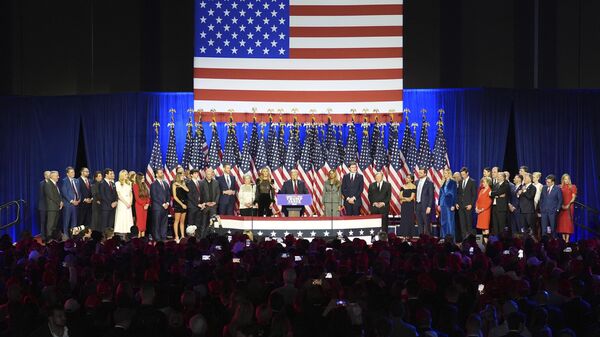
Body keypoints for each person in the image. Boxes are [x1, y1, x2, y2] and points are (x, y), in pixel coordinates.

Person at [456, 167, 477, 240]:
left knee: (469, 224)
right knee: (462, 225)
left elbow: (474, 195)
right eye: (461, 174)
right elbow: (458, 194)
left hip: (468, 206)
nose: (462, 176)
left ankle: (470, 241)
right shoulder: (460, 182)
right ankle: (464, 240)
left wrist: (471, 204)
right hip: (461, 207)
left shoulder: (472, 182)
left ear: (467, 173)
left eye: (463, 174)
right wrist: (457, 203)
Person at [150, 169, 170, 241]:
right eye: (160, 173)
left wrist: (167, 203)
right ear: (156, 175)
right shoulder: (153, 184)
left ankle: (163, 237)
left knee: (164, 223)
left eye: (162, 172)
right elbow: (154, 196)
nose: (162, 174)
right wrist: (163, 204)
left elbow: (168, 194)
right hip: (157, 208)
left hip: (165, 207)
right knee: (156, 224)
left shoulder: (166, 184)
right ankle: (157, 238)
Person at [199, 168, 220, 237]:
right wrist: (205, 203)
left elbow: (218, 193)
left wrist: (215, 202)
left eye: (211, 174)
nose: (210, 175)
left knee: (212, 223)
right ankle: (202, 239)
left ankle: (212, 238)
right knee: (204, 223)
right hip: (205, 206)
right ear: (205, 174)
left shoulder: (216, 182)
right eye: (208, 174)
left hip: (213, 206)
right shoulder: (201, 182)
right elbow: (200, 194)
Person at [60, 166, 80, 237]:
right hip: (68, 204)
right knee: (66, 221)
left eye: (73, 172)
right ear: (67, 174)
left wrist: (79, 199)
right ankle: (65, 236)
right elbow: (64, 192)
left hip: (76, 204)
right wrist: (72, 201)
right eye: (71, 172)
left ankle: (73, 236)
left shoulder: (76, 180)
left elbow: (78, 191)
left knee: (74, 222)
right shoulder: (64, 181)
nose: (73, 173)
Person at [438, 168, 457, 239]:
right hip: (443, 204)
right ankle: (443, 237)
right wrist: (439, 204)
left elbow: (454, 194)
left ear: (449, 174)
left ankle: (451, 238)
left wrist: (453, 204)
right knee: (443, 222)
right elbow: (440, 194)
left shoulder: (453, 182)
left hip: (449, 204)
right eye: (444, 173)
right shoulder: (443, 182)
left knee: (450, 222)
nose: (444, 175)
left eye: (445, 173)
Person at [557, 174, 577, 242]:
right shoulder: (559, 187)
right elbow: (558, 197)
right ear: (563, 180)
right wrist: (561, 205)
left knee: (568, 223)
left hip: (569, 206)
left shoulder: (573, 186)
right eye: (565, 179)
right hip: (561, 206)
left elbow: (573, 197)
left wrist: (568, 205)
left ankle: (567, 240)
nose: (567, 180)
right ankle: (563, 239)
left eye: (568, 178)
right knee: (562, 223)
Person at [44, 171, 63, 240]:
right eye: (57, 176)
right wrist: (59, 203)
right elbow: (51, 196)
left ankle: (53, 238)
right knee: (50, 224)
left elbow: (58, 195)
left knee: (54, 225)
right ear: (52, 176)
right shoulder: (48, 184)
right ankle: (49, 239)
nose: (58, 177)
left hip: (56, 207)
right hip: (52, 208)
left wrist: (61, 202)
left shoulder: (55, 184)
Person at [490, 170, 510, 236]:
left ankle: (502, 240)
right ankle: (496, 240)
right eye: (497, 176)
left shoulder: (506, 185)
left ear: (503, 177)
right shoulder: (495, 185)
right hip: (494, 206)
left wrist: (495, 194)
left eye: (499, 176)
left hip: (501, 208)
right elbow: (492, 194)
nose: (497, 177)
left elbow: (498, 192)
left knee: (501, 225)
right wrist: (497, 195)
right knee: (495, 225)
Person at [114, 170, 134, 237]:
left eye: (127, 174)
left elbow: (131, 193)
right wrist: (126, 203)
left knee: (128, 217)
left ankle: (128, 231)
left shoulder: (129, 183)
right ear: (122, 175)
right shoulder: (117, 183)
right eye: (125, 174)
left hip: (128, 203)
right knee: (121, 217)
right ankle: (120, 233)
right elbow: (119, 195)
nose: (127, 176)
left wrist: (130, 202)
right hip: (122, 203)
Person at [415, 168, 434, 235]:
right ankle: (421, 239)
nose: (419, 174)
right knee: (419, 224)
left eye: (420, 173)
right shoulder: (416, 182)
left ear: (425, 173)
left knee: (426, 223)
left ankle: (428, 240)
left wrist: (429, 207)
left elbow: (431, 196)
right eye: (419, 172)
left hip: (425, 206)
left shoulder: (429, 183)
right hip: (417, 205)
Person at [98, 169, 118, 233]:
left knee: (110, 224)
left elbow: (116, 194)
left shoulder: (112, 183)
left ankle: (109, 237)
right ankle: (103, 238)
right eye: (110, 174)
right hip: (106, 207)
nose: (112, 175)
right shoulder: (102, 183)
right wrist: (110, 204)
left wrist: (115, 202)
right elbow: (102, 196)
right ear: (106, 175)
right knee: (104, 225)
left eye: (112, 173)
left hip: (113, 207)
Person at [172, 172, 189, 242]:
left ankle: (182, 236)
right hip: (178, 204)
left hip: (184, 204)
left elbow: (187, 190)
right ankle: (176, 236)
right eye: (182, 176)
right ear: (178, 176)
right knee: (177, 221)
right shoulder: (174, 184)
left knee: (182, 221)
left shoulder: (183, 183)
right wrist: (181, 204)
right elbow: (175, 197)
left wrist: (181, 185)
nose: (183, 177)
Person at [133, 172, 150, 238]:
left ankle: (143, 238)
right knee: (139, 223)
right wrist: (144, 205)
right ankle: (139, 238)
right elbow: (137, 198)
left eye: (144, 177)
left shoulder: (145, 185)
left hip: (145, 206)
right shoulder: (135, 186)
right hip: (139, 206)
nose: (144, 179)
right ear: (139, 178)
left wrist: (147, 204)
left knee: (144, 222)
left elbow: (148, 196)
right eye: (142, 178)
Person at [476, 177, 493, 242]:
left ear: (488, 182)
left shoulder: (490, 190)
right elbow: (478, 200)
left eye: (484, 182)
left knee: (485, 227)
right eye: (482, 182)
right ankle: (481, 243)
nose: (483, 183)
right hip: (479, 212)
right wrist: (476, 208)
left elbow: (489, 202)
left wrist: (482, 209)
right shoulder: (481, 190)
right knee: (481, 228)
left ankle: (486, 242)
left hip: (485, 211)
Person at [38, 171, 50, 241]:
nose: (50, 176)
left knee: (49, 222)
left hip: (50, 207)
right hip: (43, 207)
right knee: (43, 222)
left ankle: (49, 236)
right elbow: (44, 195)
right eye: (48, 175)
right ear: (45, 176)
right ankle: (43, 237)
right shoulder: (42, 183)